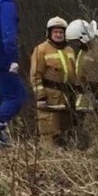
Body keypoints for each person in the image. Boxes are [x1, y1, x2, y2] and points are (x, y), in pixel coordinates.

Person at [30, 17, 78, 148]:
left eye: (61, 32)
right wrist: (40, 96)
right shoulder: (41, 50)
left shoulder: (70, 50)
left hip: (67, 100)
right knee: (49, 135)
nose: (58, 35)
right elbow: (35, 75)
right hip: (49, 100)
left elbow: (75, 73)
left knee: (67, 135)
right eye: (55, 32)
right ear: (49, 33)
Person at [65, 19, 98, 145]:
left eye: (76, 41)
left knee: (94, 131)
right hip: (85, 99)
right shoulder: (84, 51)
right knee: (84, 131)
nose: (75, 44)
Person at [0, 0, 25, 147]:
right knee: (18, 95)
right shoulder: (6, 4)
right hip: (1, 59)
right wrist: (12, 60)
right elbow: (8, 35)